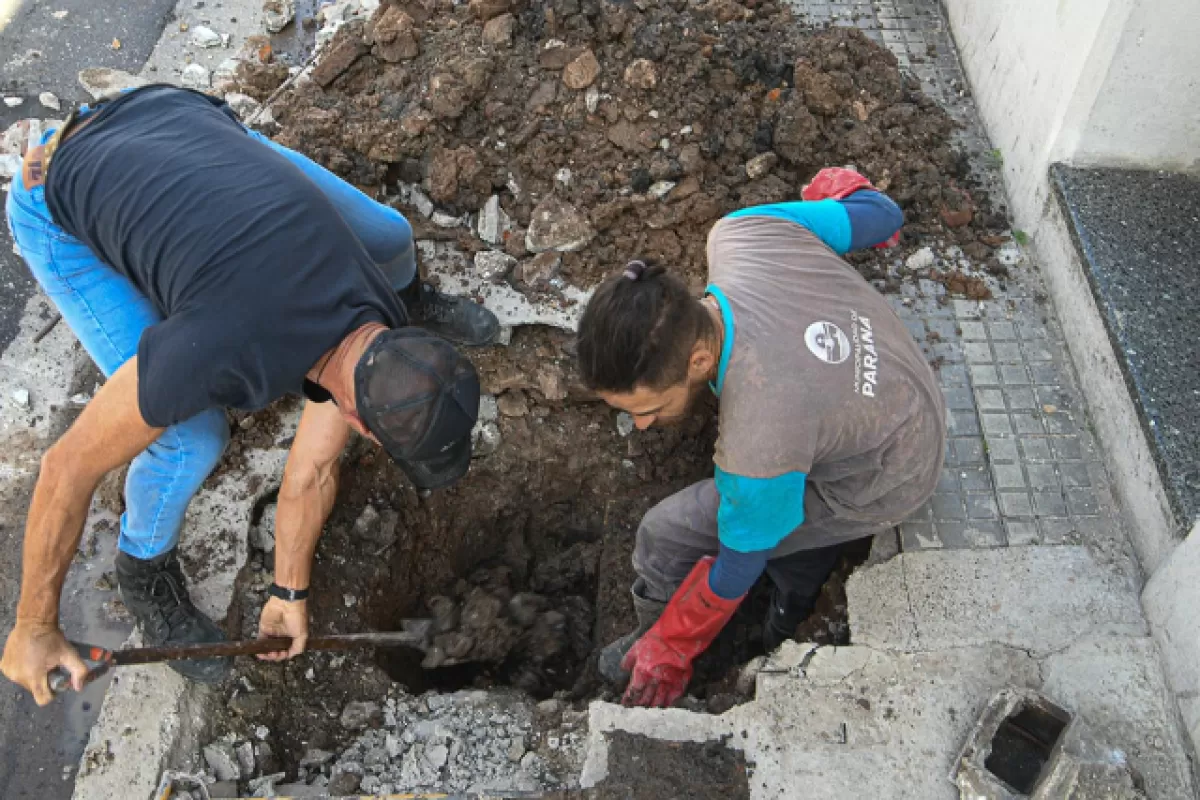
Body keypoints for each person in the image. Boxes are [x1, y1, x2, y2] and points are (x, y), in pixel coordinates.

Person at [0, 85, 495, 706]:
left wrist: (290, 594)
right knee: (191, 439)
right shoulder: (218, 346)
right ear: (363, 424)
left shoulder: (374, 306)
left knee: (390, 236)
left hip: (181, 129)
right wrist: (33, 627)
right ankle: (143, 568)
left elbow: (312, 470)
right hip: (58, 187)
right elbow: (65, 467)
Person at [576, 168, 946, 708]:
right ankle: (787, 597)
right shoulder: (746, 232)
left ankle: (739, 631)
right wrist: (836, 196)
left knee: (669, 532)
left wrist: (675, 644)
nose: (643, 425)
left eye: (648, 409)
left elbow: (736, 565)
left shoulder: (759, 443)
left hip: (889, 474)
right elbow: (883, 216)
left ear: (699, 360)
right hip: (899, 385)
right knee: (771, 519)